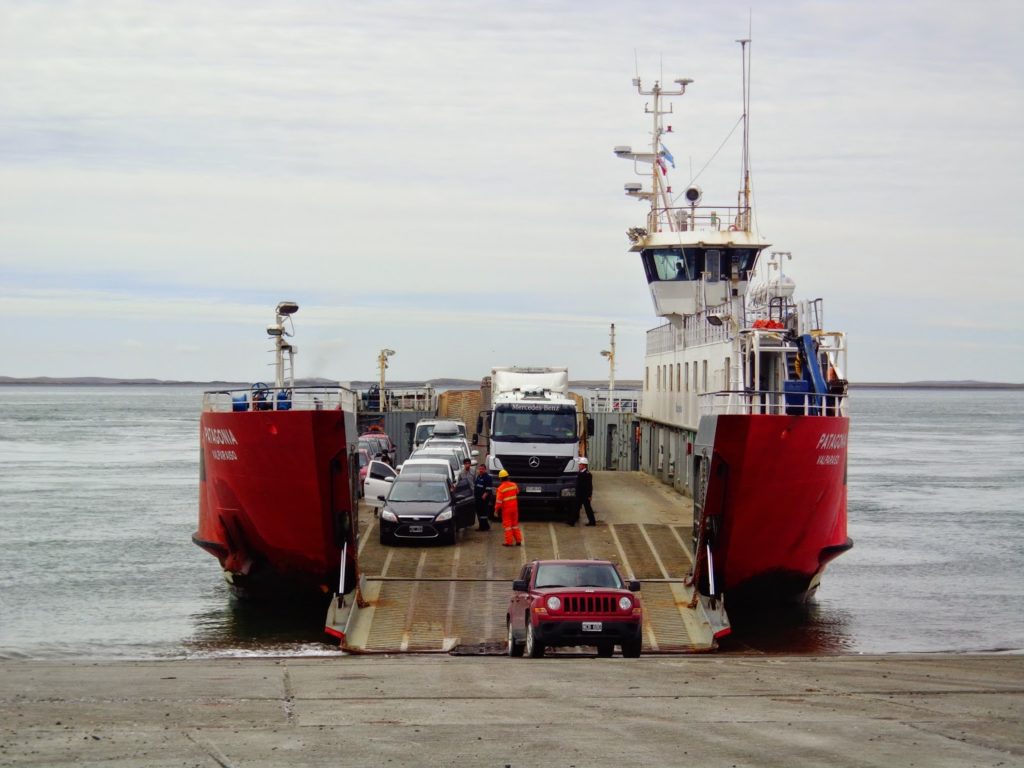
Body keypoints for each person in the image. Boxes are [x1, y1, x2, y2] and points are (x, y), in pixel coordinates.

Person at [494, 469, 523, 546]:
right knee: (515, 525)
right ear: (507, 477)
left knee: (507, 527)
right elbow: (517, 492)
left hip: (506, 510)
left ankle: (509, 542)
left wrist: (496, 510)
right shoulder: (514, 485)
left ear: (500, 478)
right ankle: (518, 540)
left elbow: (498, 502)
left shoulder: (500, 489)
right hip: (514, 509)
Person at [574, 457, 596, 526]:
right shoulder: (579, 473)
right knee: (575, 508)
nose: (579, 465)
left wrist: (589, 495)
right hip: (579, 494)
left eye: (580, 464)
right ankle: (571, 521)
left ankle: (592, 522)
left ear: (584, 465)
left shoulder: (587, 474)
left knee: (588, 509)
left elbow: (589, 486)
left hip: (585, 495)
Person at [472, 463, 493, 531]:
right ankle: (485, 526)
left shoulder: (488, 477)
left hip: (483, 499)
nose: (481, 470)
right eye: (480, 469)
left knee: (483, 513)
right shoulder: (478, 476)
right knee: (479, 513)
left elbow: (489, 489)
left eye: (482, 469)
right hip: (477, 498)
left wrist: (485, 495)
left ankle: (482, 527)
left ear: (485, 470)